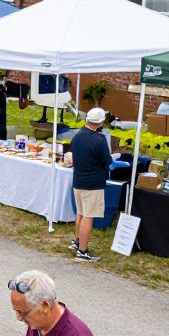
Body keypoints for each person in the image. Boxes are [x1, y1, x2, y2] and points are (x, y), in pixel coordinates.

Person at [69, 107, 111, 263]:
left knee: (80, 213)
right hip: (93, 183)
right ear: (100, 122)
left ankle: (78, 241)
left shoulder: (78, 135)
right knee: (88, 215)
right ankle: (83, 251)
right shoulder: (99, 140)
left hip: (78, 180)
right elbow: (107, 160)